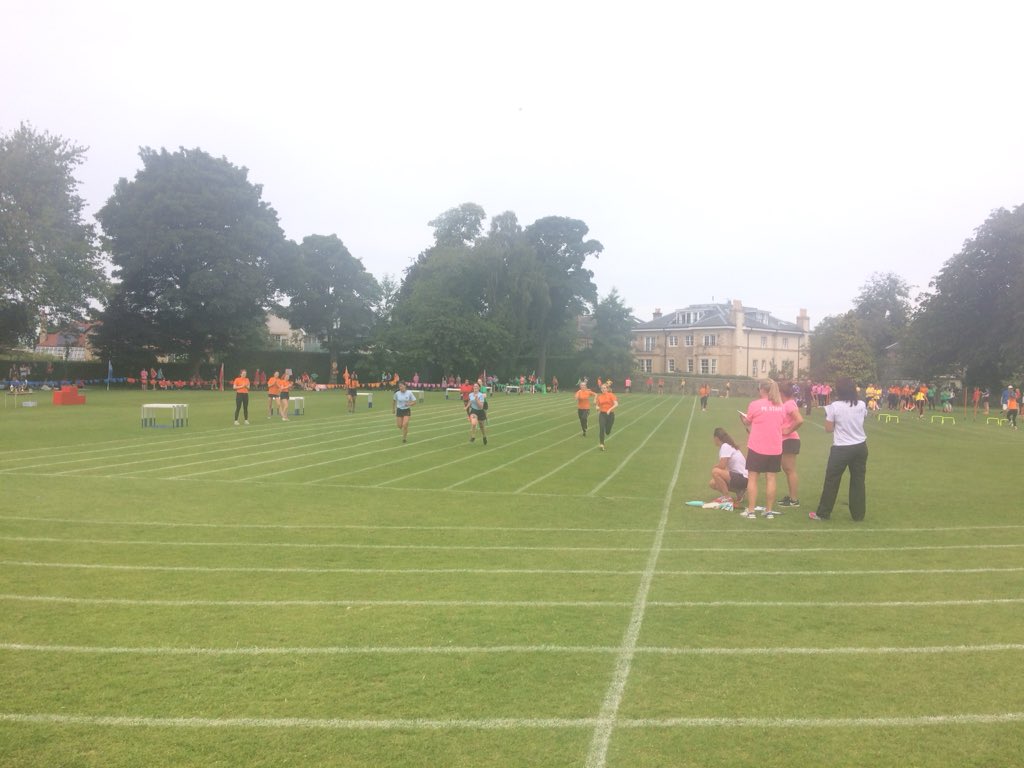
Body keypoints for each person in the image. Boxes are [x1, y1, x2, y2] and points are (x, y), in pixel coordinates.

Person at [809, 377, 869, 521]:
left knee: (832, 481)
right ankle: (858, 515)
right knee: (858, 481)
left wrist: (839, 424)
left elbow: (828, 429)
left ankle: (823, 513)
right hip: (860, 447)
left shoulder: (834, 406)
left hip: (842, 448)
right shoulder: (861, 404)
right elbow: (862, 419)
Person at [739, 378, 786, 519]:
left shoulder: (755, 405)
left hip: (757, 447)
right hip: (775, 447)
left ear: (762, 390)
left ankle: (751, 511)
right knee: (771, 478)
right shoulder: (781, 406)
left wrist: (742, 419)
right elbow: (780, 422)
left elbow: (748, 421)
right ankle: (768, 511)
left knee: (753, 478)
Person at [777, 381, 804, 508]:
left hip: (790, 440)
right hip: (786, 441)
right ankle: (791, 497)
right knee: (787, 470)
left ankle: (794, 500)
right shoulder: (786, 404)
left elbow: (799, 420)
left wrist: (788, 430)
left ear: (781, 393)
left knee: (790, 470)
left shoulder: (789, 404)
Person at [710, 427, 748, 505]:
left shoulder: (725, 446)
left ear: (716, 438)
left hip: (743, 478)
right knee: (713, 483)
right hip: (742, 478)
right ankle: (739, 491)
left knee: (715, 471)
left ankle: (727, 498)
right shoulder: (727, 446)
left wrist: (715, 466)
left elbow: (722, 465)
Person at [595, 383, 618, 451]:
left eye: (604, 388)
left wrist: (609, 409)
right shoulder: (599, 397)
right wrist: (597, 407)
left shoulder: (611, 395)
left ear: (607, 389)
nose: (603, 389)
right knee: (601, 428)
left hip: (610, 415)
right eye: (602, 388)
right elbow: (597, 405)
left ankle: (607, 431)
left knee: (607, 431)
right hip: (602, 414)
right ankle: (602, 444)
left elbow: (616, 404)